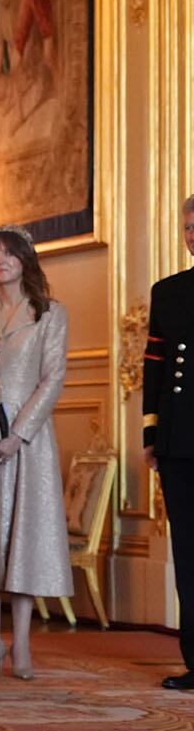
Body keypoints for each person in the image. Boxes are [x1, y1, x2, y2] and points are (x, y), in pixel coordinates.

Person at [0, 226, 72, 679]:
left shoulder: (50, 313)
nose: (0, 260)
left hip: (29, 443)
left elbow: (53, 377)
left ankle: (23, 644)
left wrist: (17, 434)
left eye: (9, 254)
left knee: (24, 541)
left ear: (26, 259)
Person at [146, 194, 194, 691]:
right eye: (187, 227)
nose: (193, 234)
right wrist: (151, 434)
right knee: (188, 554)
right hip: (180, 440)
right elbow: (155, 366)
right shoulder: (168, 291)